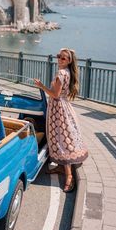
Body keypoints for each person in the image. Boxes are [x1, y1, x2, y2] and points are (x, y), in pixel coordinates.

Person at [34, 48, 88, 192]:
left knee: (61, 138)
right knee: (61, 136)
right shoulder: (68, 72)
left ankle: (69, 176)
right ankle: (60, 167)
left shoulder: (61, 73)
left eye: (63, 58)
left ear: (69, 61)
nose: (59, 60)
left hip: (58, 109)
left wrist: (41, 86)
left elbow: (55, 94)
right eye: (59, 57)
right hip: (63, 107)